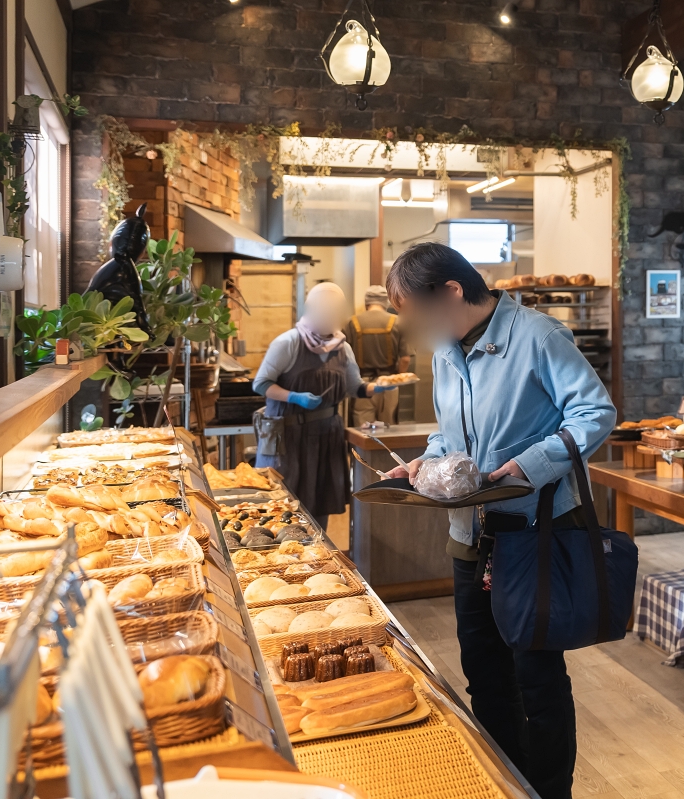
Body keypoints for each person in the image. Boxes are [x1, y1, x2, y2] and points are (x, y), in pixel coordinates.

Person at [384, 242, 615, 799]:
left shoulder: (538, 337)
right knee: (484, 676)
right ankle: (505, 787)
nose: (412, 326)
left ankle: (548, 791)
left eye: (413, 311)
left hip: (534, 534)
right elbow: (449, 434)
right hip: (469, 533)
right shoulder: (445, 350)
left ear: (452, 292)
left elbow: (596, 413)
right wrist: (429, 461)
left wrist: (532, 464)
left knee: (536, 678)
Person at [252, 282, 395, 529]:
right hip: (287, 436)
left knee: (320, 502)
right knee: (281, 504)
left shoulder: (343, 348)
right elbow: (261, 384)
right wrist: (295, 397)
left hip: (327, 435)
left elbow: (355, 387)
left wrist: (377, 387)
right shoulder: (288, 343)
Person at [343, 284, 412, 427]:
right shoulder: (399, 322)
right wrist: (396, 378)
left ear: (366, 303)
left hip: (362, 384)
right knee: (389, 429)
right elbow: (405, 358)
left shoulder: (351, 323)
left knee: (363, 433)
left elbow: (343, 358)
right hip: (389, 385)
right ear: (385, 302)